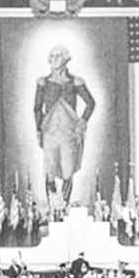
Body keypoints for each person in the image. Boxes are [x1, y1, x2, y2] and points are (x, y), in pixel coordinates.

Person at [33, 45, 96, 207]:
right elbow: (37, 107)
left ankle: (64, 207)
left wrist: (82, 122)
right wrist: (38, 130)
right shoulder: (43, 82)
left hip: (69, 133)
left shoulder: (75, 81)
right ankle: (53, 209)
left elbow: (90, 103)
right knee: (50, 171)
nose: (54, 59)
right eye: (52, 56)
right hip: (50, 132)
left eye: (58, 56)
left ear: (66, 59)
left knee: (68, 171)